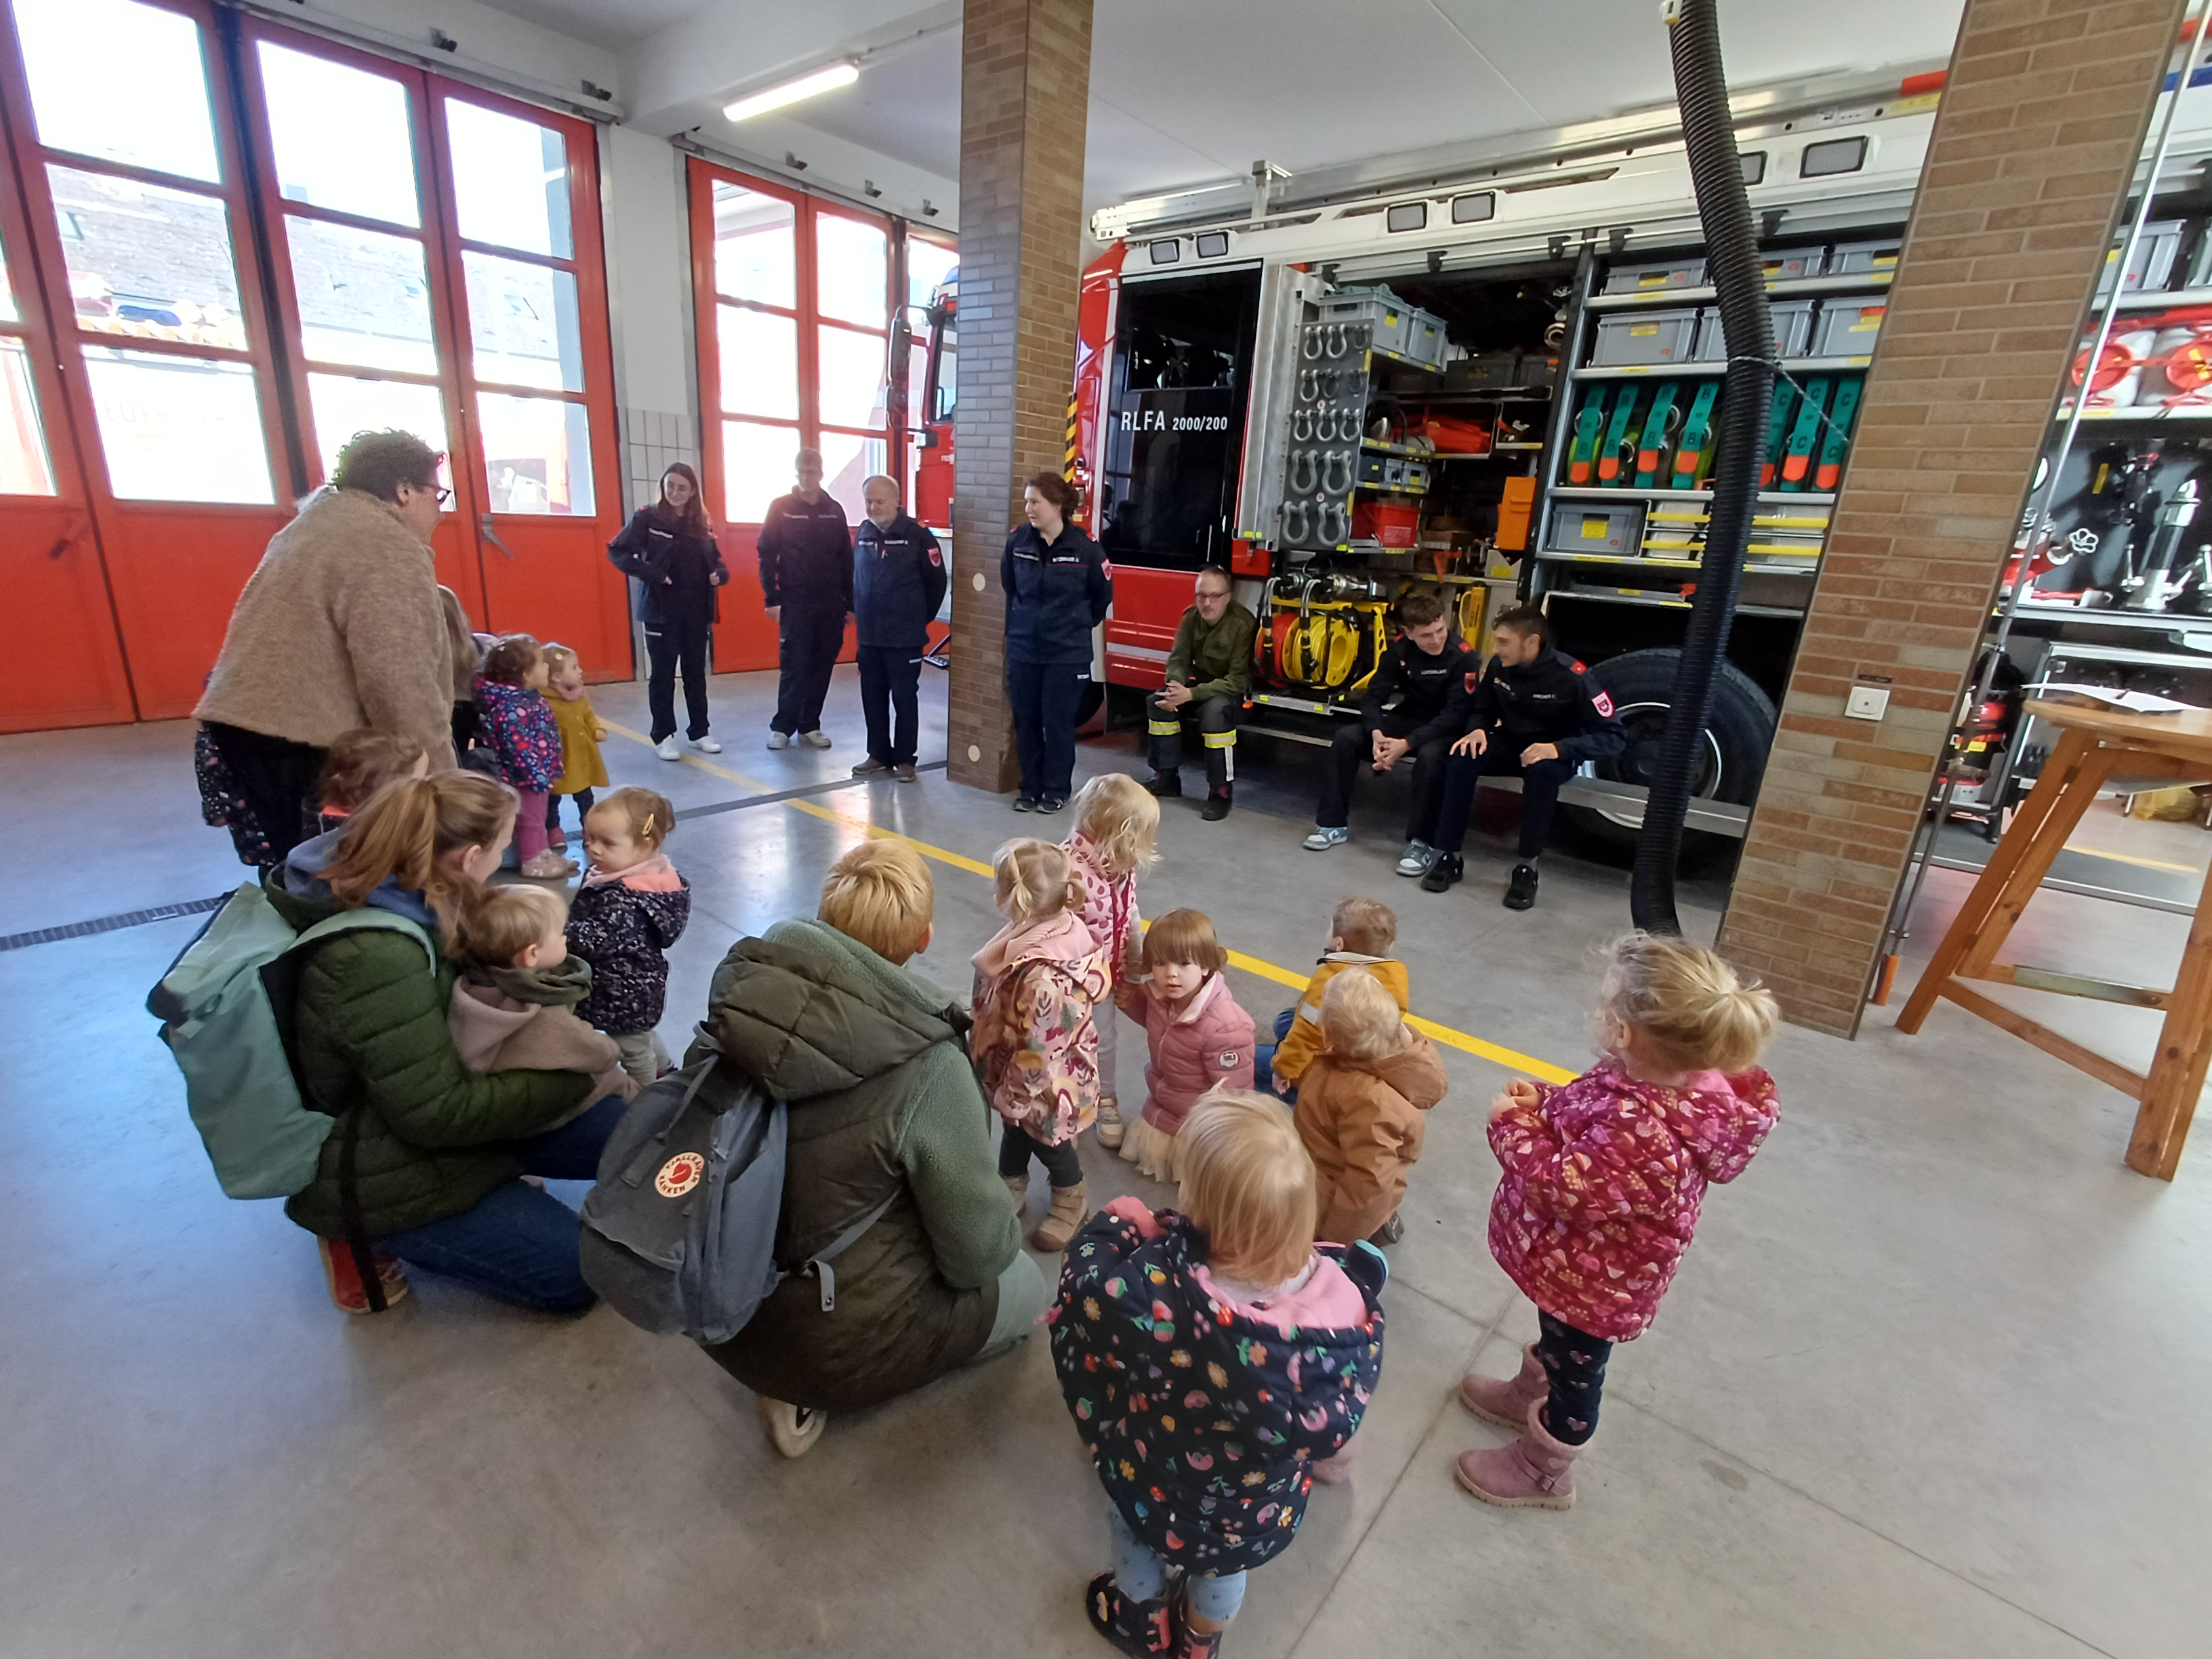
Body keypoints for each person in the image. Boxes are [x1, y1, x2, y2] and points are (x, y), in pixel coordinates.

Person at [697, 840, 1054, 1460]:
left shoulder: (746, 997)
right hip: (828, 1337)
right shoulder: (933, 1070)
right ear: (923, 939)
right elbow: (973, 1258)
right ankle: (805, 1386)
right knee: (1024, 1283)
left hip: (717, 1283)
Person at [1052, 1090, 1387, 1659]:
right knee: (1224, 1569)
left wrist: (1116, 1228)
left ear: (1205, 1215)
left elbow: (1089, 1293)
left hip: (1157, 1475)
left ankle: (1143, 1622)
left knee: (1133, 1532)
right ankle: (1199, 1643)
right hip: (1253, 1509)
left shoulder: (1159, 1290)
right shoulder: (1341, 1307)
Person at [271, 771, 617, 1315]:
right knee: (577, 1276)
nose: (506, 857)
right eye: (504, 846)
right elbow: (435, 1114)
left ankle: (506, 1182)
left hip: (435, 1089)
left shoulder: (424, 890)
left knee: (630, 1133)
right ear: (470, 855)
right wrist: (566, 1079)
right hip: (382, 1160)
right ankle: (363, 1236)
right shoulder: (375, 955)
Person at [1455, 933, 1779, 1511]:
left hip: (1599, 1283)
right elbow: (1591, 1114)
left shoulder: (1648, 1127)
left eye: (1606, 1005)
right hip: (1581, 1266)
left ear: (1626, 1031)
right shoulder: (1648, 1081)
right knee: (1559, 1339)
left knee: (1579, 1370)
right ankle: (1533, 1387)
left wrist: (1511, 1125)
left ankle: (1545, 1469)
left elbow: (1563, 1187)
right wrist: (1547, 1103)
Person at [196, 428, 459, 861]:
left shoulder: (316, 525)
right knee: (334, 874)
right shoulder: (385, 544)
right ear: (405, 491)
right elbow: (397, 677)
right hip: (300, 736)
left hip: (246, 725)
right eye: (439, 495)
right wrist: (443, 784)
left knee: (291, 866)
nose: (441, 512)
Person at [1419, 605, 1626, 909]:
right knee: (1462, 756)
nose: (1495, 648)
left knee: (1542, 774)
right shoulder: (1499, 667)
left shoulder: (1573, 676)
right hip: (1511, 743)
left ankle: (1527, 869)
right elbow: (1483, 709)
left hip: (1555, 751)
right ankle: (1449, 856)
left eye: (1503, 642)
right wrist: (1477, 729)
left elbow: (1615, 736)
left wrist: (1558, 749)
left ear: (1532, 642)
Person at [972, 838, 1111, 1252]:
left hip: (1049, 1084)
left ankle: (1072, 1199)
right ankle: (1009, 1184)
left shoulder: (1044, 981)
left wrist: (1014, 1094)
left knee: (1050, 1142)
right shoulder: (1052, 926)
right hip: (1021, 1068)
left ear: (1013, 900)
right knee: (1016, 1131)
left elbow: (1040, 1051)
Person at [1303, 587, 1479, 875]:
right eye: (1426, 635)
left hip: (1446, 728)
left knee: (1431, 758)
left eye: (1440, 630)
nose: (1435, 639)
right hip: (1409, 718)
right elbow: (1373, 699)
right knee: (1346, 738)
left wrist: (1407, 744)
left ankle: (1422, 843)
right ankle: (1332, 825)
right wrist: (1376, 735)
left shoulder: (1464, 658)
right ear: (1409, 632)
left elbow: (1456, 714)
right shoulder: (1398, 651)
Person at [446, 883, 636, 1112]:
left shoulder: (470, 987)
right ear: (532, 954)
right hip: (546, 1114)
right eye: (560, 933)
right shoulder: (542, 1014)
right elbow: (603, 1055)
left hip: (502, 1093)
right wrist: (613, 1049)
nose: (566, 938)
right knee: (619, 1084)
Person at [1292, 967, 1447, 1248]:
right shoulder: (1401, 1065)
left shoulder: (1368, 1103)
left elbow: (1367, 1185)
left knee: (1368, 1204)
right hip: (1347, 1169)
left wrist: (1333, 1240)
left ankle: (1364, 1235)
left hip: (1329, 1193)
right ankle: (1378, 1222)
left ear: (1326, 1036)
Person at [1113, 909, 1254, 1183]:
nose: (1170, 975)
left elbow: (1234, 1092)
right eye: (1160, 963)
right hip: (1165, 1099)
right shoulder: (1159, 997)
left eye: (1183, 963)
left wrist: (1223, 1139)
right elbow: (1159, 1028)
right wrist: (1132, 1003)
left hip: (1196, 1120)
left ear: (1205, 966)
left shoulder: (1227, 1026)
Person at [1002, 470, 1112, 813]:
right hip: (1024, 650)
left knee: (1058, 723)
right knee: (1027, 721)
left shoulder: (1087, 549)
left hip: (1067, 654)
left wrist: (1073, 626)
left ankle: (1056, 790)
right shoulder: (1018, 542)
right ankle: (1030, 787)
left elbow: (1101, 597)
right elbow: (1010, 587)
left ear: (1057, 504)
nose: (1028, 508)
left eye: (1035, 501)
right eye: (1027, 501)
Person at [1060, 774, 1159, 1151]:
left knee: (1104, 1039)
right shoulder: (1066, 872)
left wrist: (1133, 970)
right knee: (1065, 1040)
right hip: (1068, 984)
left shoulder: (1121, 866)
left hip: (1106, 977)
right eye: (1138, 840)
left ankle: (1106, 1099)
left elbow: (1131, 914)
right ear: (1117, 835)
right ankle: (1065, 1098)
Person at [567, 786, 689, 1089]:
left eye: (608, 843)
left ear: (646, 845)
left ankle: (645, 1098)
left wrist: (556, 930)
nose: (594, 850)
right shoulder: (640, 878)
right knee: (641, 1035)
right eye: (589, 840)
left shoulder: (626, 902)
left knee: (632, 1051)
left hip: (623, 992)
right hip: (634, 989)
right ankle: (666, 1070)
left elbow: (595, 939)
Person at [608, 462, 729, 761]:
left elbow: (718, 562)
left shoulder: (701, 524)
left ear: (692, 492)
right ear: (663, 486)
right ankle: (663, 735)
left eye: (682, 488)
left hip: (696, 612)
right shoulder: (647, 518)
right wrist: (650, 572)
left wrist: (720, 574)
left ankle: (700, 731)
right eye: (670, 485)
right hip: (661, 611)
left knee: (695, 674)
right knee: (662, 676)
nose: (675, 492)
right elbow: (617, 550)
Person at [1254, 896, 1410, 1101]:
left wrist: (1283, 1070)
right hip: (1359, 1052)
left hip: (1324, 1063)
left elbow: (1307, 1034)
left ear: (1338, 944)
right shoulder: (1396, 976)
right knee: (1286, 1019)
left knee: (1251, 1058)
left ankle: (1299, 1093)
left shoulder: (1330, 981)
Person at [851, 474, 947, 782]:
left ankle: (906, 759)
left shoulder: (918, 535)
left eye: (880, 501)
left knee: (905, 699)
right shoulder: (864, 532)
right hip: (870, 636)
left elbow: (936, 584)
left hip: (904, 637)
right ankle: (878, 754)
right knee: (872, 697)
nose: (873, 507)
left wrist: (918, 618)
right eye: (869, 501)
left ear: (896, 501)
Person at [756, 448, 853, 751]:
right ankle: (782, 727)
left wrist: (850, 604)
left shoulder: (834, 509)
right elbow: (767, 554)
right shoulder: (781, 507)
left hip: (830, 604)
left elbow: (845, 559)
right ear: (796, 472)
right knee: (795, 665)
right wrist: (772, 599)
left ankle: (810, 725)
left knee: (822, 664)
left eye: (813, 471)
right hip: (795, 602)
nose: (807, 476)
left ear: (821, 473)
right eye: (802, 471)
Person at [1144, 567, 1256, 823]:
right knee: (1158, 702)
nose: (1207, 603)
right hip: (1198, 688)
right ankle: (1166, 778)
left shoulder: (1243, 624)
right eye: (1201, 596)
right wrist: (1174, 686)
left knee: (1215, 714)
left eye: (1215, 596)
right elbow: (1179, 658)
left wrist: (1190, 694)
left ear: (1228, 597)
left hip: (1229, 693)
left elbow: (1238, 681)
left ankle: (1220, 793)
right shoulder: (1191, 617)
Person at [474, 634, 573, 879]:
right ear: (525, 675)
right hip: (524, 777)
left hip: (538, 772)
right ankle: (531, 861)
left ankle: (543, 853)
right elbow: (518, 749)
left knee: (538, 817)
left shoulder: (528, 699)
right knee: (530, 820)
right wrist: (536, 774)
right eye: (541, 663)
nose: (547, 666)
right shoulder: (510, 708)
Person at [539, 643, 609, 845]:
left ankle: (589, 828)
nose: (580, 671)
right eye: (574, 667)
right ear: (556, 677)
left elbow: (588, 715)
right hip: (558, 757)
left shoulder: (579, 695)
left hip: (580, 754)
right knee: (553, 796)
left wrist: (596, 729)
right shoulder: (545, 701)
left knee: (585, 795)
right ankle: (553, 829)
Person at [314, 728, 428, 835]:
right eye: (420, 780)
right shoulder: (369, 836)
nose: (428, 782)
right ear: (383, 795)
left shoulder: (322, 820)